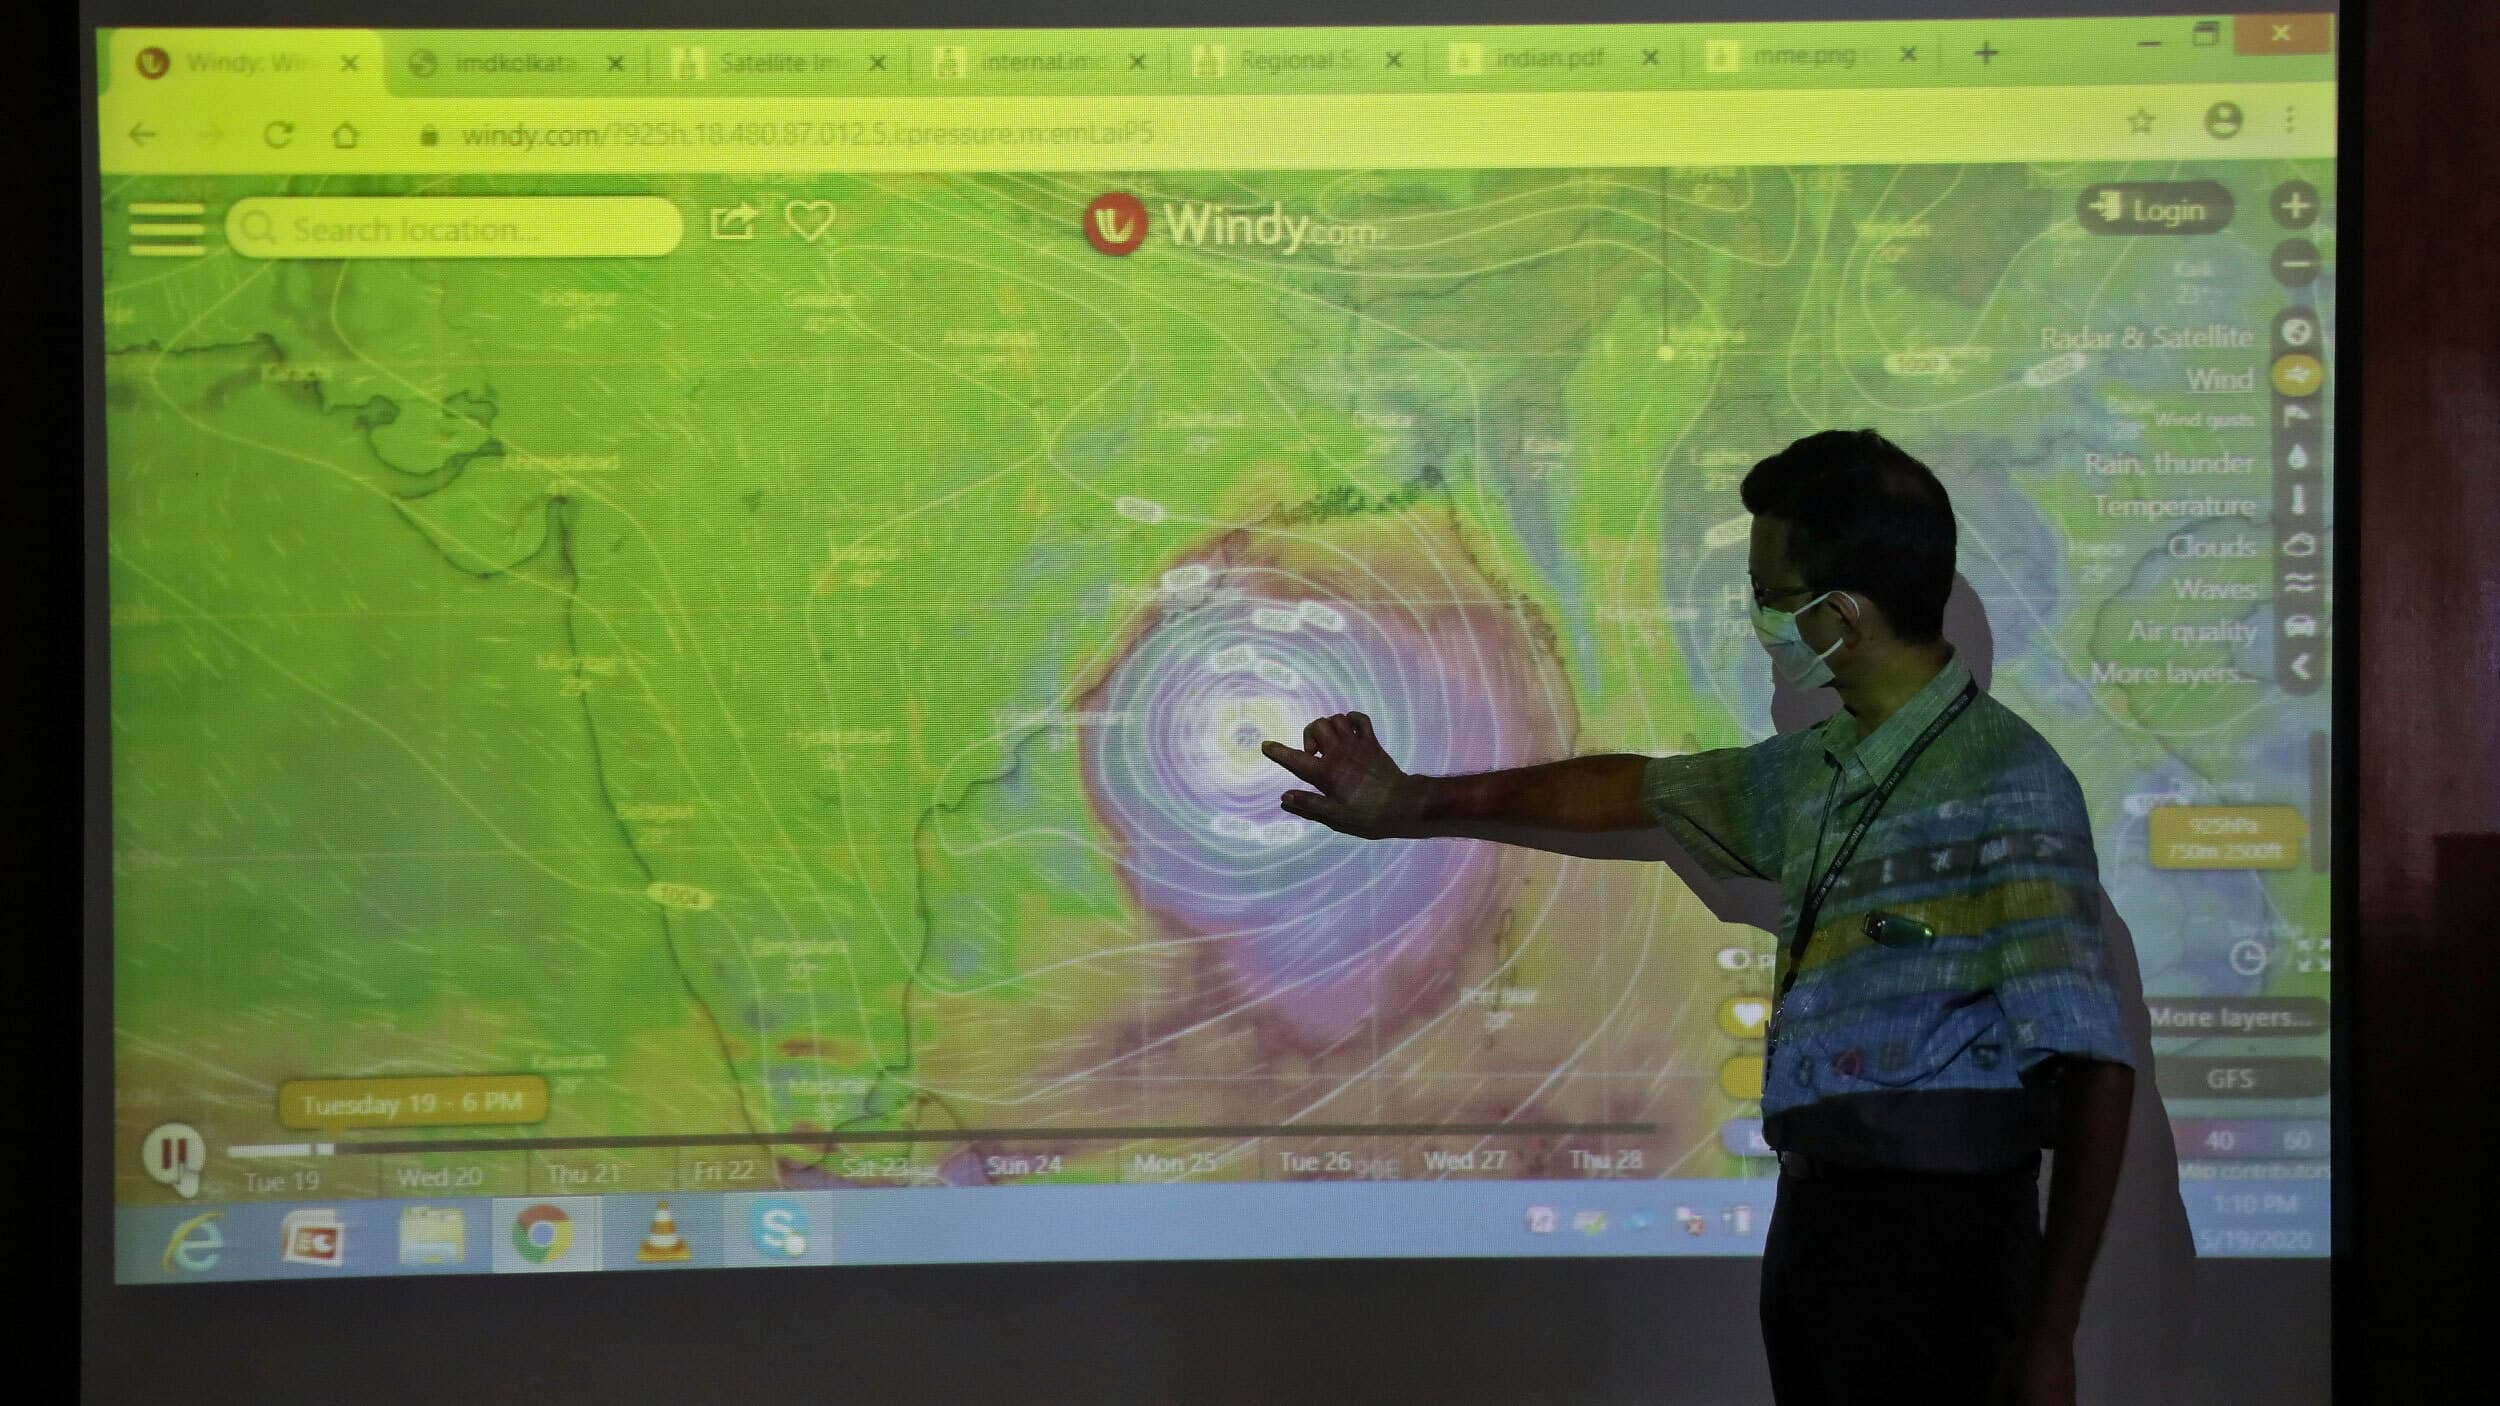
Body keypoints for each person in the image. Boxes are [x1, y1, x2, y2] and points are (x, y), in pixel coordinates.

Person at [1262, 429, 2136, 1406]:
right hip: (1819, 1234)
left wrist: (2050, 1333)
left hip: (1944, 1248)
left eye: (1771, 597)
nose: (1761, 620)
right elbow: (1630, 789)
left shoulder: (2010, 781)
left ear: (1840, 614)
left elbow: (2095, 1067)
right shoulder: (1813, 771)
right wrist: (1407, 800)